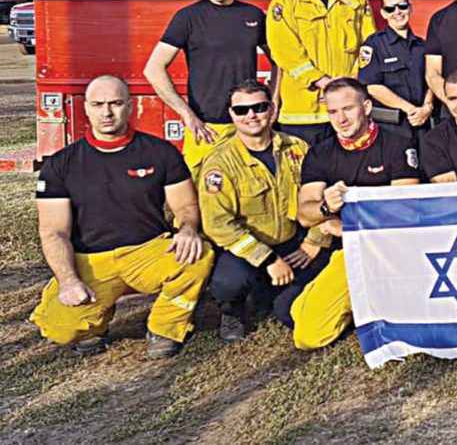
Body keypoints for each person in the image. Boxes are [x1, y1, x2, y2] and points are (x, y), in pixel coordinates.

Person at [30, 75, 213, 358]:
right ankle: (94, 326)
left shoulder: (160, 152)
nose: (107, 112)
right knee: (58, 329)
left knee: (198, 257)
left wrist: (188, 229)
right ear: (86, 108)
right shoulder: (60, 165)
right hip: (91, 259)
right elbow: (53, 232)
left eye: (116, 103)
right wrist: (68, 281)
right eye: (98, 104)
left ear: (131, 106)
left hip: (147, 251)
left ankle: (165, 328)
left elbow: (186, 207)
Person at [289, 78, 421, 350]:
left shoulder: (398, 145)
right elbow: (305, 214)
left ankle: (371, 304)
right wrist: (326, 208)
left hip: (390, 250)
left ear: (367, 106)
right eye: (333, 112)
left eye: (348, 109)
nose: (341, 119)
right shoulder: (320, 153)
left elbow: (404, 213)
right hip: (347, 252)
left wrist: (348, 226)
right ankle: (361, 305)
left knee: (307, 332)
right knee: (298, 324)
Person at [196, 81, 331, 341]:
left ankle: (270, 296)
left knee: (289, 311)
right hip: (247, 250)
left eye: (259, 107)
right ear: (231, 114)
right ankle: (231, 309)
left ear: (272, 109)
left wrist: (315, 241)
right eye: (242, 110)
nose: (251, 115)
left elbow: (320, 200)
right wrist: (267, 259)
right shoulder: (219, 163)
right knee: (228, 282)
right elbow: (218, 224)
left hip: (294, 245)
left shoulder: (297, 149)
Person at [143, 0, 276, 178]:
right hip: (206, 130)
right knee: (197, 201)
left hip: (247, 126)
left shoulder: (253, 15)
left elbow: (279, 61)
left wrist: (272, 104)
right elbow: (153, 69)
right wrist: (187, 114)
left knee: (251, 197)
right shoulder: (188, 18)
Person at [267, 0, 375, 145]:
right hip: (301, 115)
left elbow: (368, 49)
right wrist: (323, 82)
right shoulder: (284, 2)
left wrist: (347, 86)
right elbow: (284, 51)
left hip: (347, 113)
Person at [358, 0, 436, 142]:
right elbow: (372, 87)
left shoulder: (423, 45)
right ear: (383, 13)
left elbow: (433, 79)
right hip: (391, 129)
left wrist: (428, 107)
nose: (397, 12)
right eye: (390, 8)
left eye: (402, 6)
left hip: (423, 125)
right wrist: (411, 110)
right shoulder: (373, 44)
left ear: (410, 8)